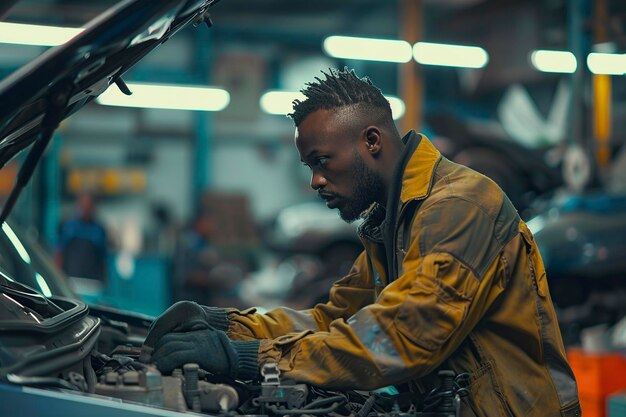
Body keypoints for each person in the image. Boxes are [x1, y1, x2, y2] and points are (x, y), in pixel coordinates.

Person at [142, 68, 581, 416]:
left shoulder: (461, 205)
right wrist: (226, 326)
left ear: (371, 141)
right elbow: (332, 319)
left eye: (322, 161)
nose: (315, 180)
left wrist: (246, 357)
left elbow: (402, 337)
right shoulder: (393, 222)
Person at [56, 192, 109, 283]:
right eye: (83, 205)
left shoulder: (99, 230)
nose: (85, 209)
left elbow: (103, 259)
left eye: (88, 206)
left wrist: (104, 281)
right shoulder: (69, 227)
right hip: (70, 280)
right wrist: (58, 278)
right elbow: (59, 253)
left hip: (93, 282)